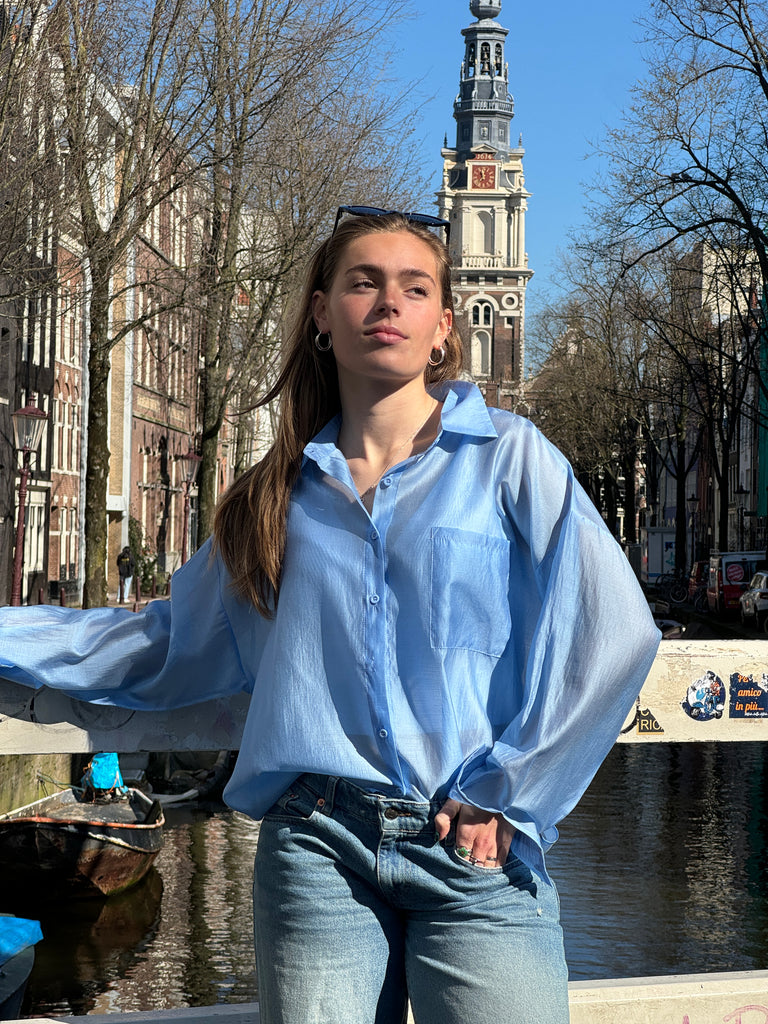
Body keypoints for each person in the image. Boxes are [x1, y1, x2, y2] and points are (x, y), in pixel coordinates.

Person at [0, 207, 661, 1023]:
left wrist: (512, 790)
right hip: (318, 846)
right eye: (363, 283)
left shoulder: (511, 458)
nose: (389, 303)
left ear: (443, 325)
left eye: (414, 288)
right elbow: (166, 643)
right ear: (322, 313)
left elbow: (612, 633)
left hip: (474, 841)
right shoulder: (273, 496)